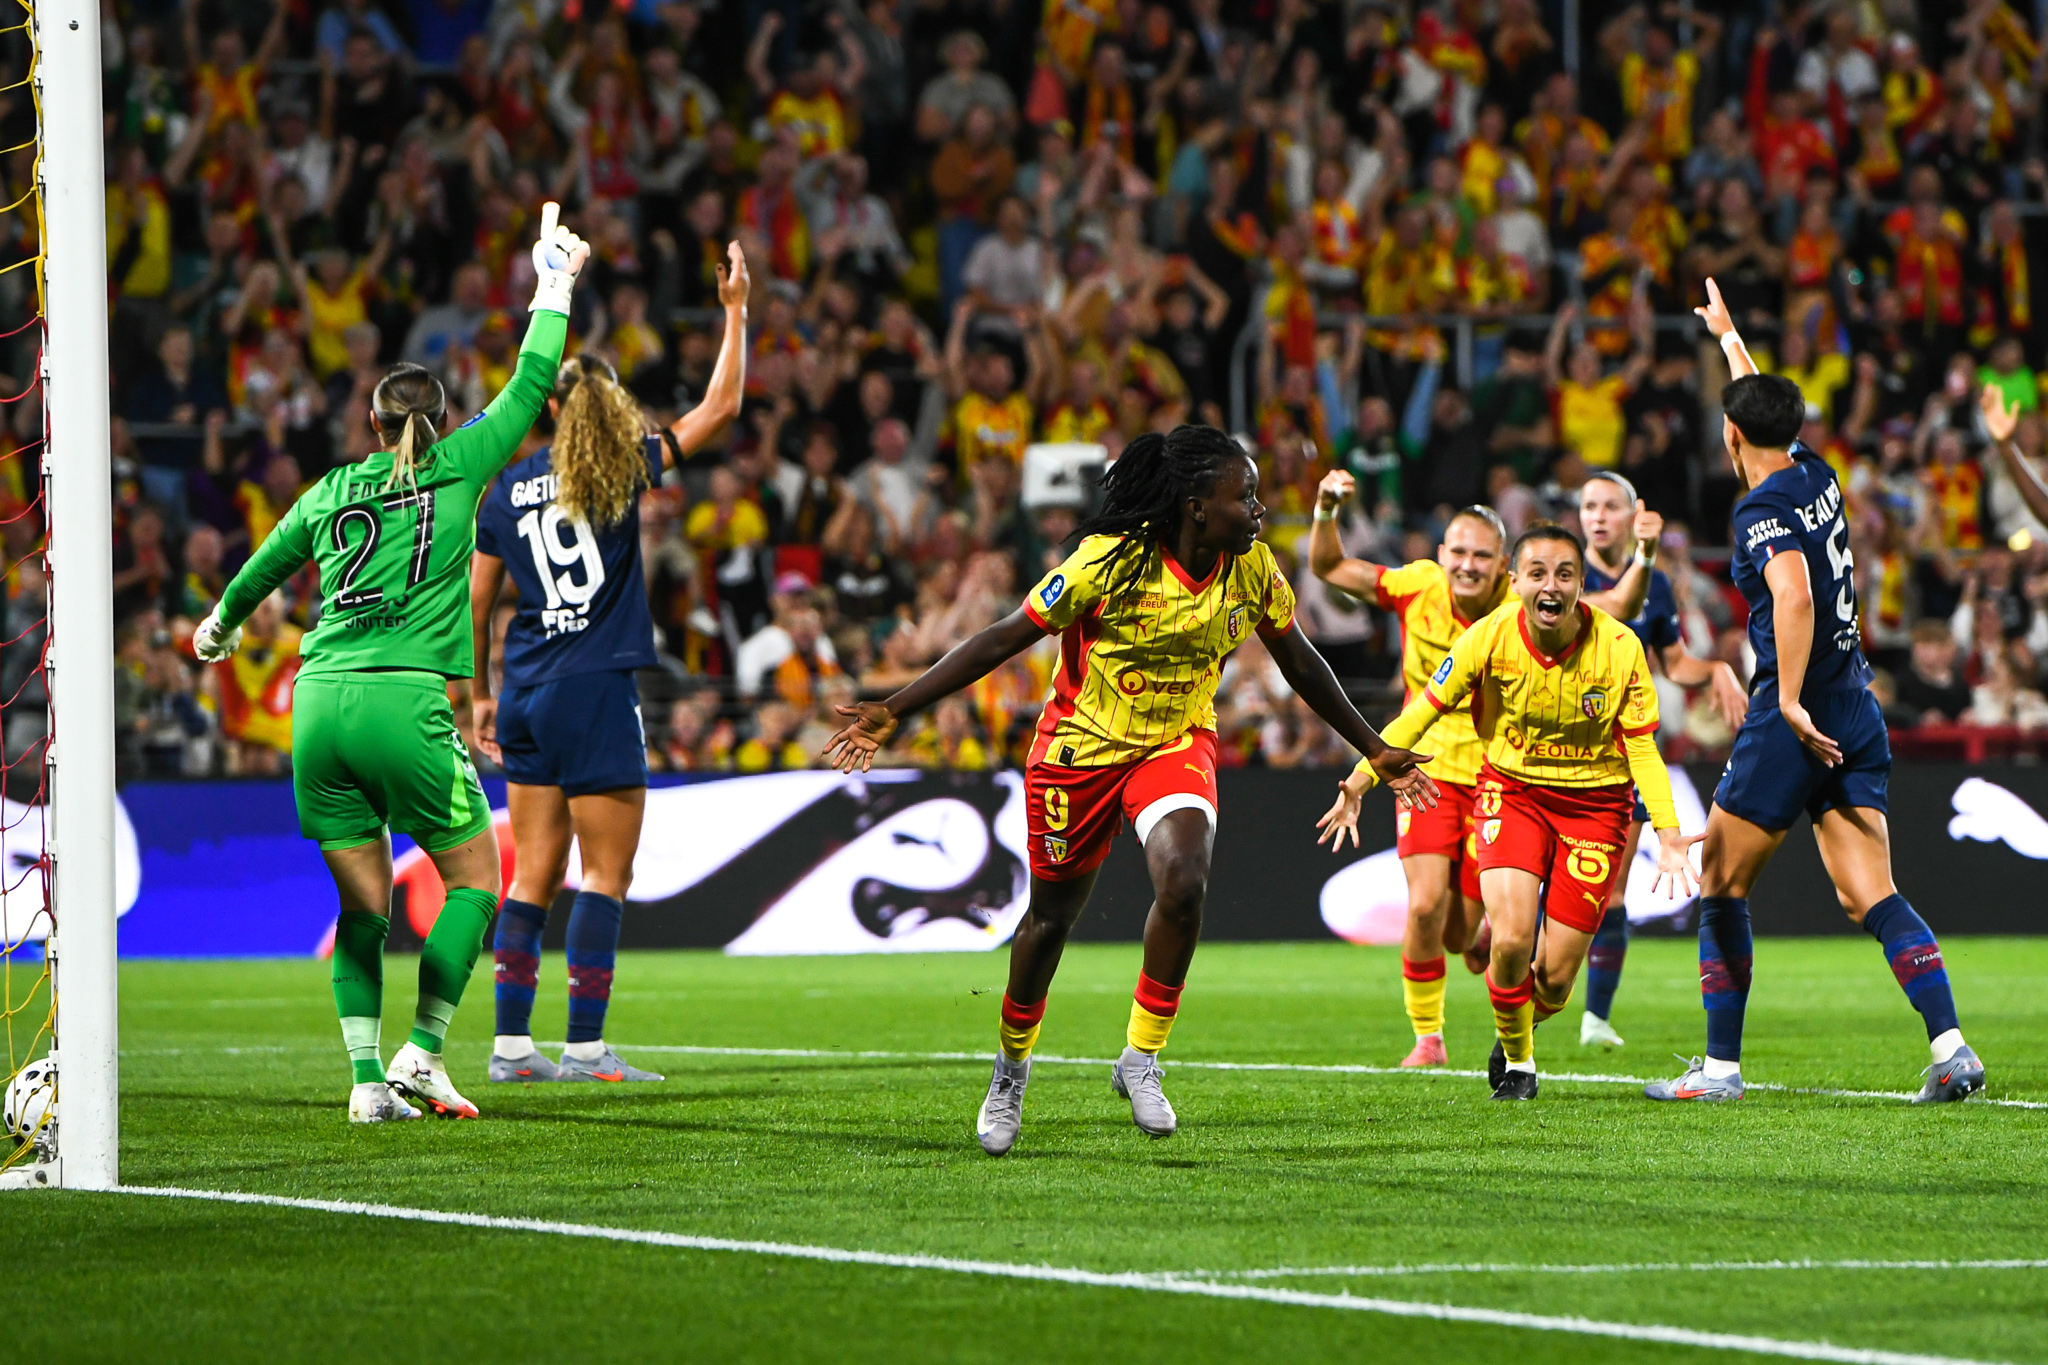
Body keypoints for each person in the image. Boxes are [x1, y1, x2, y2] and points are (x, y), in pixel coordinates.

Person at [820, 425, 1436, 1156]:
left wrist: (1375, 747)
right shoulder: (1108, 561)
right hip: (1079, 748)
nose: (1259, 509)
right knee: (1051, 919)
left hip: (1175, 740)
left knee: (1184, 880)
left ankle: (1140, 1056)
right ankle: (1012, 1064)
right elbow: (1002, 637)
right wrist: (897, 705)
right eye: (1244, 496)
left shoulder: (1251, 568)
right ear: (1195, 506)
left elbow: (1298, 660)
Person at [192, 206, 591, 1124]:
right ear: (440, 420)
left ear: (372, 422)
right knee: (479, 881)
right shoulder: (459, 466)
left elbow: (266, 564)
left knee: (364, 907)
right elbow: (532, 387)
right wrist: (554, 282)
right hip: (404, 704)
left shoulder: (332, 487)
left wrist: (220, 624)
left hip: (320, 704)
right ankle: (421, 1053)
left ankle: (366, 1081)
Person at [1642, 281, 1984, 1105]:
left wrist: (1786, 698)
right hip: (1856, 707)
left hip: (1794, 718)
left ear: (1730, 434)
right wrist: (1730, 338)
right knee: (1872, 892)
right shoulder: (1814, 467)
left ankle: (1720, 1071)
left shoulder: (1760, 507)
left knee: (1721, 882)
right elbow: (1763, 409)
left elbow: (1791, 593)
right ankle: (1952, 1047)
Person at [469, 242, 751, 1086]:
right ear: (607, 406)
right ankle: (587, 1048)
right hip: (595, 692)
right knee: (606, 873)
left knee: (534, 873)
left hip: (524, 690)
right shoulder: (623, 471)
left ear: (549, 406)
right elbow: (723, 407)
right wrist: (735, 309)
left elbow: (475, 604)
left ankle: (512, 1048)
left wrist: (474, 698)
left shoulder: (504, 487)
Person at [1319, 524, 1701, 1101]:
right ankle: (1520, 1064)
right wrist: (1361, 776)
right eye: (1539, 573)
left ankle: (1515, 1028)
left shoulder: (1619, 647)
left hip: (1596, 807)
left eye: (1566, 575)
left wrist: (1668, 833)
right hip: (1512, 795)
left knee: (1555, 977)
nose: (1552, 586)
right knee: (1510, 941)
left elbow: (1643, 747)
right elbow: (1421, 711)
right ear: (1516, 581)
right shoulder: (1487, 636)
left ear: (1580, 587)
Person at [1307, 471, 1509, 1067]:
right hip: (1421, 769)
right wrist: (1324, 510)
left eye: (1482, 555)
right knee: (1423, 907)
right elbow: (1329, 567)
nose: (1467, 565)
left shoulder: (1521, 610)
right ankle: (1429, 1038)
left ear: (1503, 565)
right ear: (1440, 553)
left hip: (1498, 775)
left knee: (1454, 931)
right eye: (1459, 552)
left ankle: (1472, 937)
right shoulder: (1416, 585)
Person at [1570, 471, 1749, 1049]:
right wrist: (1645, 557)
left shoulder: (1660, 587)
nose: (1597, 516)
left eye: (1609, 506)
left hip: (1623, 747)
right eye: (1589, 506)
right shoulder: (1560, 574)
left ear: (1631, 513)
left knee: (1611, 888)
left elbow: (1673, 662)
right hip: (1557, 746)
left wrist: (1717, 669)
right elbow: (1614, 607)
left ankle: (1595, 1016)